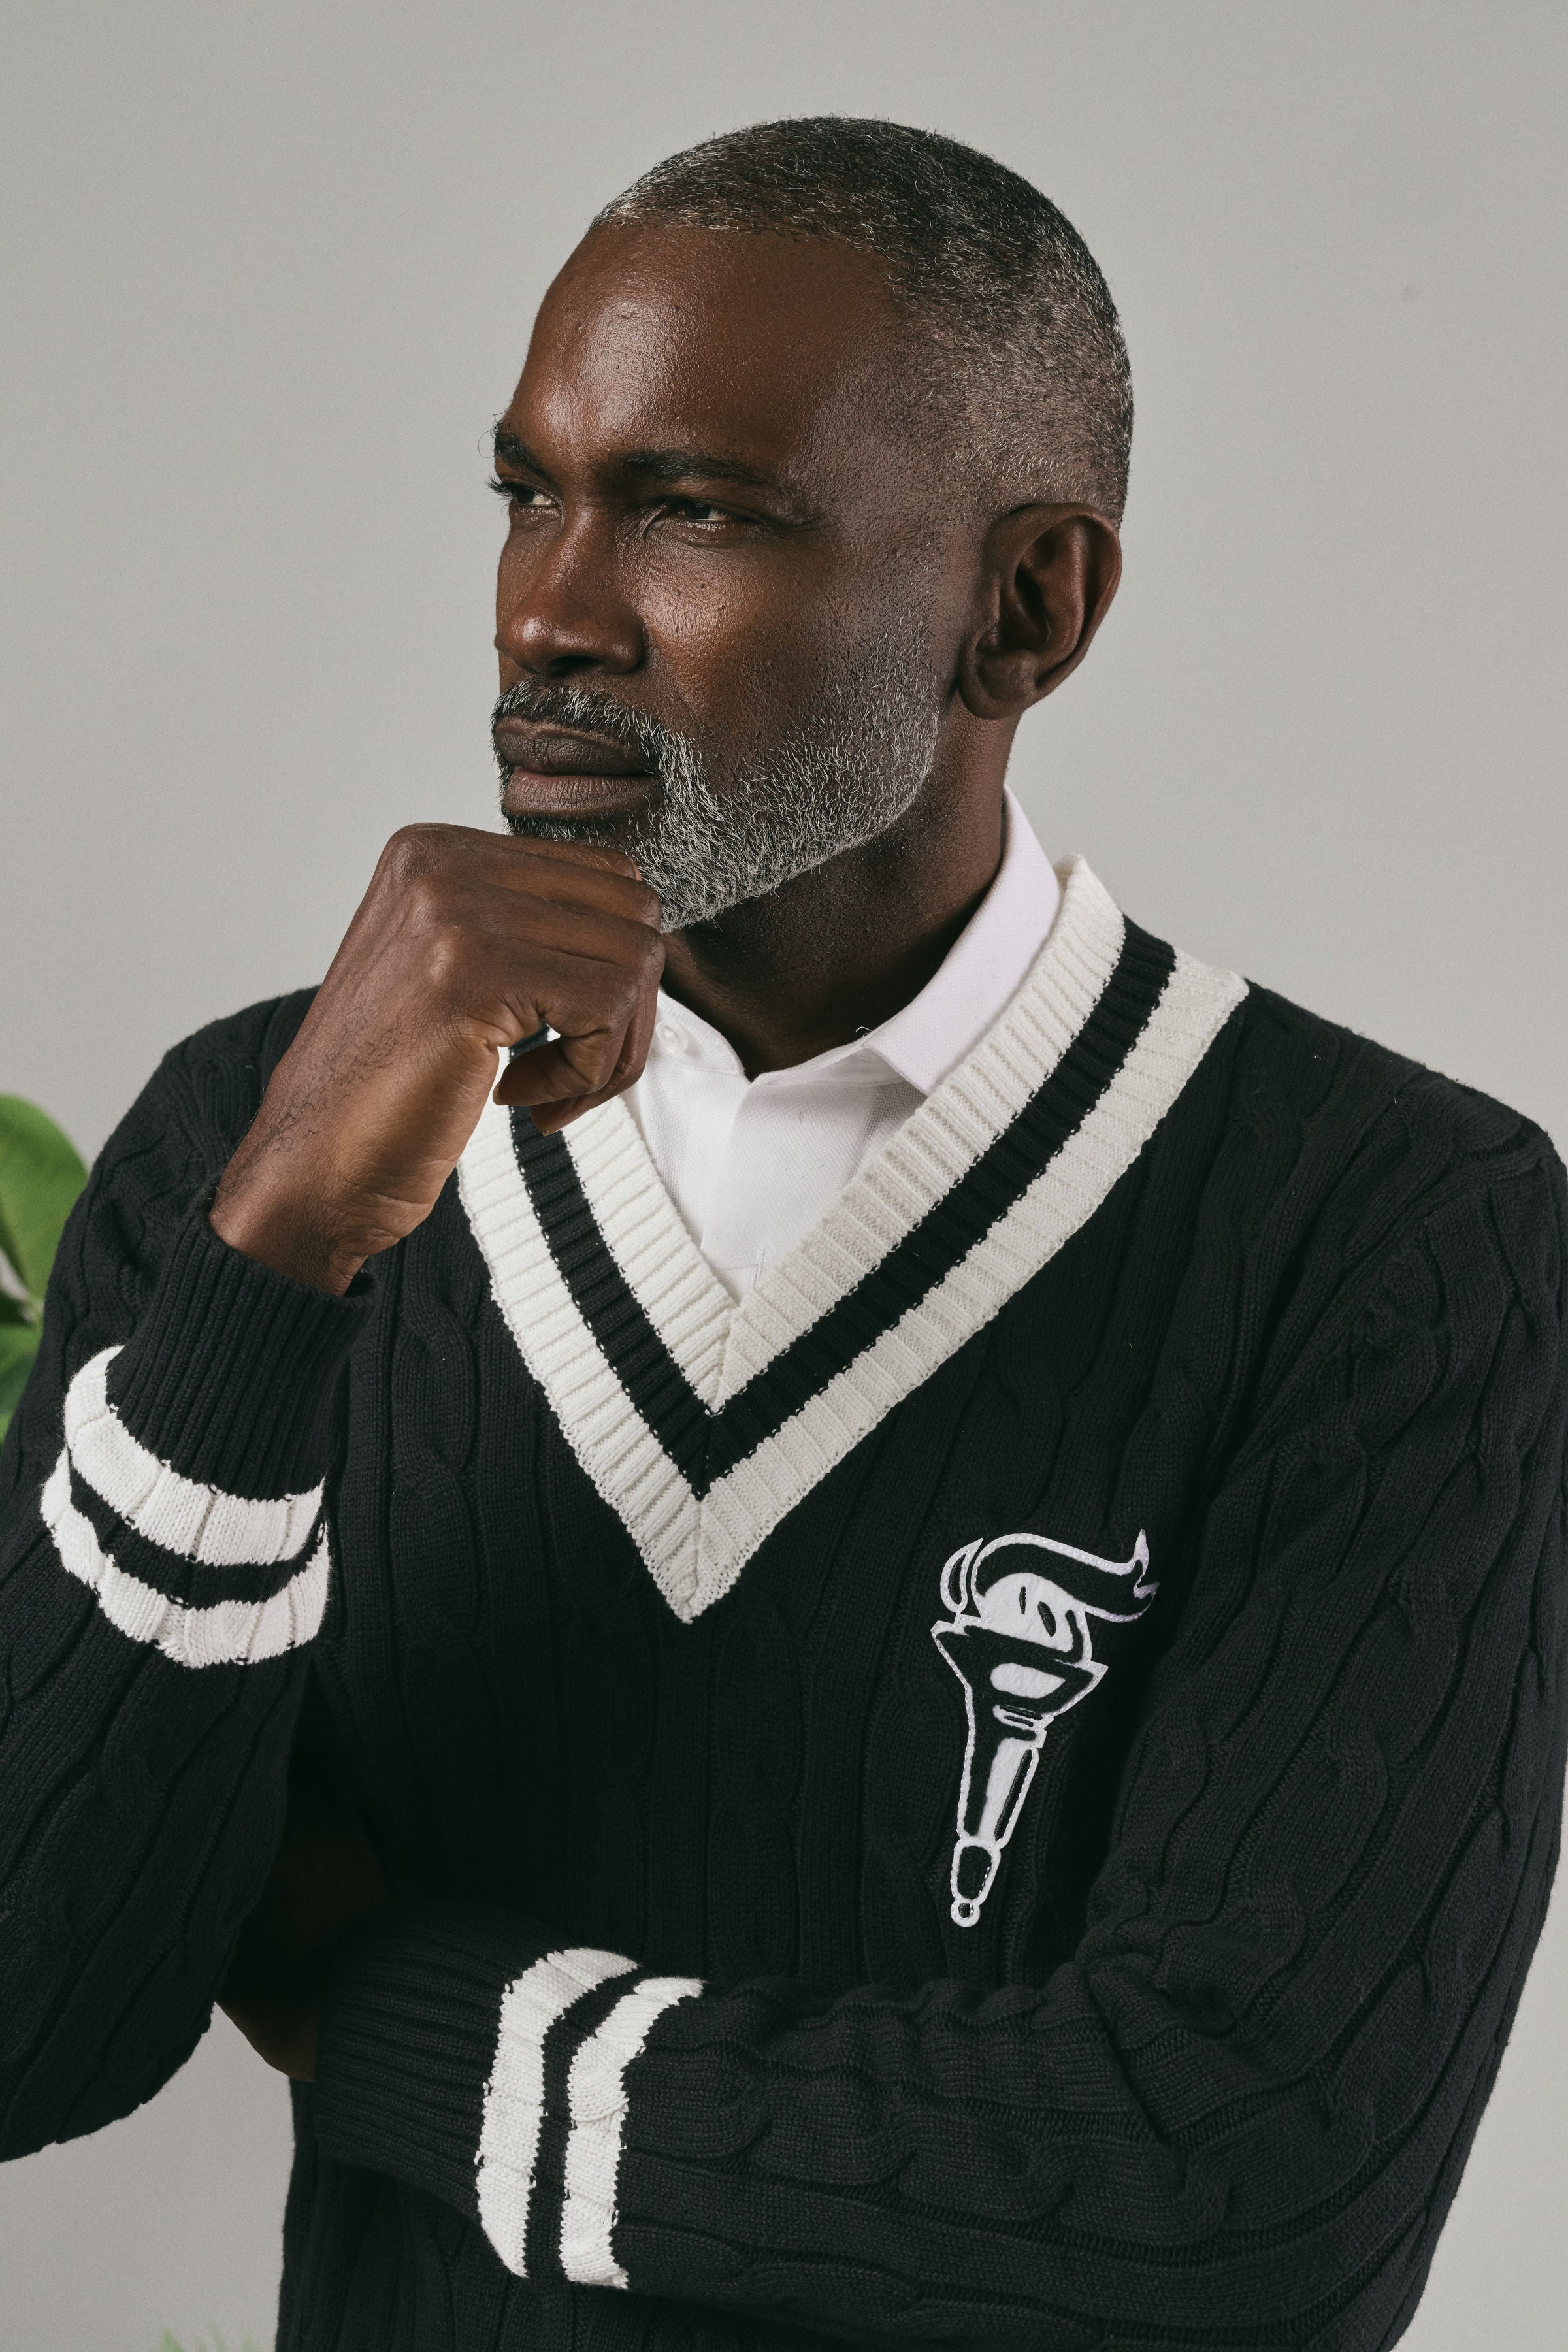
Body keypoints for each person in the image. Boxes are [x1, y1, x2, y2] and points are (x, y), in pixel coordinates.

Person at [1, 116, 1563, 2352]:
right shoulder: (247, 1147)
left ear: (1025, 606)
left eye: (692, 509)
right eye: (528, 489)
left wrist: (400, 2015)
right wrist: (268, 1270)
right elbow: (34, 2027)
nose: (550, 607)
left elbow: (1242, 2204)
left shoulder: (1399, 1234)